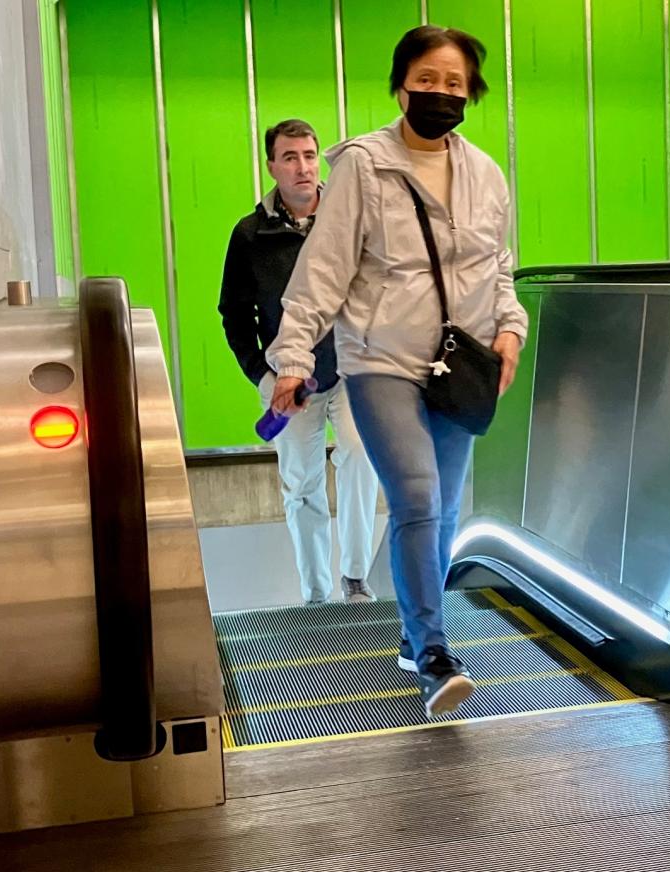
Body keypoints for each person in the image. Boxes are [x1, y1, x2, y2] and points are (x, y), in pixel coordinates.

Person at [265, 27, 528, 716]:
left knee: (442, 511)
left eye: (454, 81)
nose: (440, 92)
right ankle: (433, 651)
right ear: (400, 83)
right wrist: (293, 356)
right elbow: (323, 268)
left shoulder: (486, 175)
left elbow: (496, 267)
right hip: (379, 358)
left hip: (459, 362)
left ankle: (416, 635)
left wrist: (509, 329)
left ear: (471, 91)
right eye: (427, 78)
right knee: (415, 496)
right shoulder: (363, 165)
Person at [219, 119, 380, 606]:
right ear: (272, 166)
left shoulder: (349, 219)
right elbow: (233, 313)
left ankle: (355, 577)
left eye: (310, 155)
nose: (303, 166)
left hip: (351, 369)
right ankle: (316, 592)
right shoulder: (250, 236)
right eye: (290, 157)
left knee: (359, 454)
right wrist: (262, 376)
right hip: (290, 382)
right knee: (301, 484)